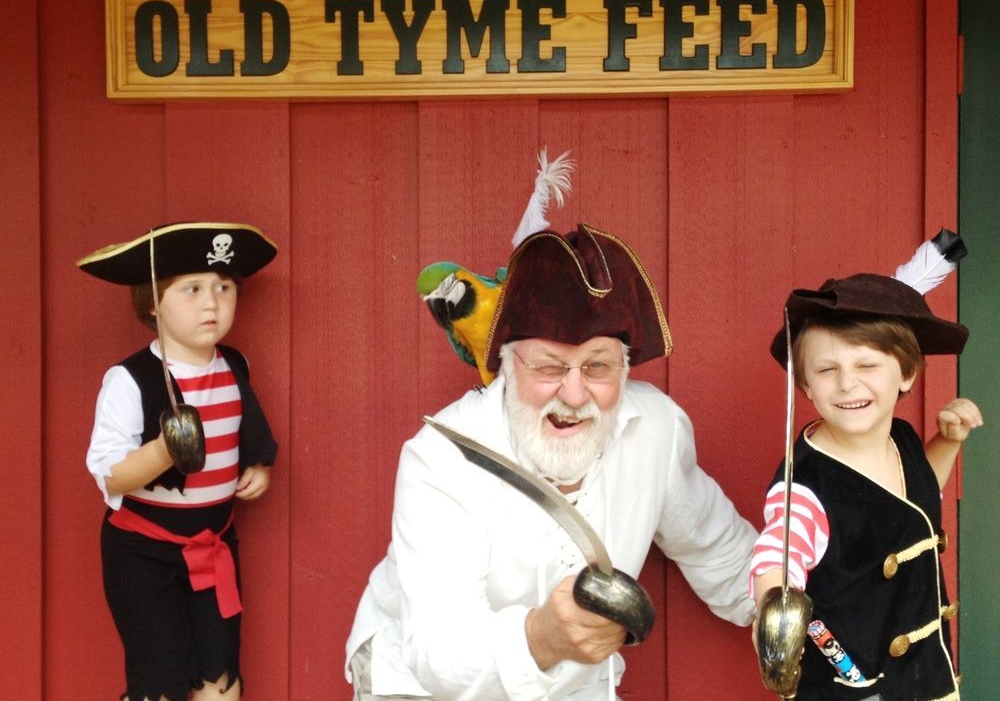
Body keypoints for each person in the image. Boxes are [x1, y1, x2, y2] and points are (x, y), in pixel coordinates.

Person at [346, 223, 757, 700]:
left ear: (624, 369)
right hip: (424, 685)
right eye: (548, 366)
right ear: (507, 363)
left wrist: (779, 608)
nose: (575, 394)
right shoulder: (441, 459)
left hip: (572, 682)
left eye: (598, 366)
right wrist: (541, 637)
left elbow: (716, 547)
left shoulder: (656, 429)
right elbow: (441, 652)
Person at [749, 265, 984, 700]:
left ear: (907, 373)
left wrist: (948, 442)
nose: (847, 383)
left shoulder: (902, 439)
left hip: (925, 676)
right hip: (857, 688)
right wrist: (776, 614)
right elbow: (778, 552)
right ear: (805, 385)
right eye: (827, 369)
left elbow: (914, 503)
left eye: (867, 364)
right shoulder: (806, 485)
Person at [77, 222, 279, 701]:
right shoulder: (131, 379)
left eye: (223, 287)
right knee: (159, 678)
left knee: (220, 675)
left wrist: (259, 467)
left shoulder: (235, 366)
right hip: (143, 555)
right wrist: (163, 451)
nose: (212, 303)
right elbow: (109, 473)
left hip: (214, 545)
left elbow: (246, 427)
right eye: (192, 289)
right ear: (153, 303)